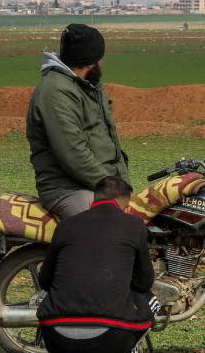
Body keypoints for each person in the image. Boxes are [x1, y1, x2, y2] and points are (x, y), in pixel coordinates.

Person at [37, 175, 158, 353]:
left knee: (51, 297)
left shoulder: (66, 226)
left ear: (94, 199)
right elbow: (144, 283)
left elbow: (45, 281)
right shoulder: (134, 226)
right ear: (124, 201)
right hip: (110, 341)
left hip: (57, 340)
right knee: (152, 299)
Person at [27, 24, 130, 219]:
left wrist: (122, 183)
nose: (103, 62)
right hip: (67, 188)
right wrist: (111, 188)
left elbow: (109, 137)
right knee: (108, 230)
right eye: (100, 57)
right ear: (91, 61)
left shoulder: (90, 86)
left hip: (99, 185)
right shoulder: (56, 92)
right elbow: (72, 152)